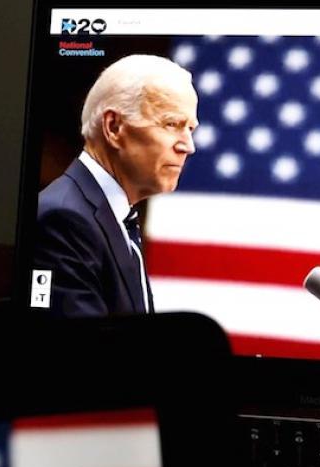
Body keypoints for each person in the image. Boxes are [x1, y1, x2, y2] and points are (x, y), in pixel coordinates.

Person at [32, 54, 199, 317]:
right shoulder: (63, 219)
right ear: (114, 127)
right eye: (172, 124)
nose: (188, 146)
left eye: (190, 128)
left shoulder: (116, 217)